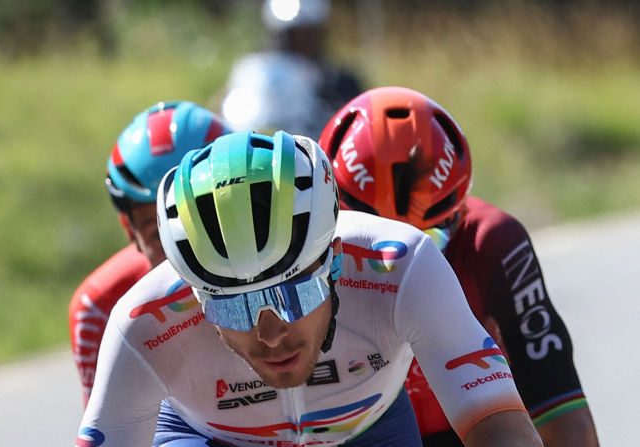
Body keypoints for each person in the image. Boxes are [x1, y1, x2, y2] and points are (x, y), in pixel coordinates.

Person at [76, 130, 543, 446]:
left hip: (366, 428)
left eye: (292, 294)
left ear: (334, 262)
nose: (271, 334)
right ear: (195, 296)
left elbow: (499, 424)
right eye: (235, 310)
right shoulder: (144, 321)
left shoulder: (400, 266)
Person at [318, 86, 600, 446]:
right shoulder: (305, 256)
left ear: (458, 210)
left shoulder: (494, 242)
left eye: (430, 239)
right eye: (366, 246)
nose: (400, 263)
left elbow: (565, 415)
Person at [68, 100, 230, 405]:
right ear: (132, 233)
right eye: (159, 233)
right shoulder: (98, 306)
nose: (186, 249)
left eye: (205, 222)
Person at [220, 0, 362, 139]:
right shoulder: (252, 71)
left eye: (308, 34)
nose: (303, 42)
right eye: (294, 34)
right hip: (255, 155)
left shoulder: (339, 82)